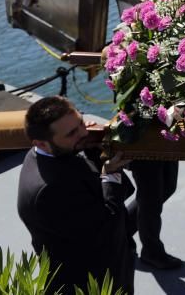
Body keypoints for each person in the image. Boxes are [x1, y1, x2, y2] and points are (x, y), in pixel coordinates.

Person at [17, 96, 136, 294]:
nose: (84, 132)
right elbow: (108, 229)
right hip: (89, 284)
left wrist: (95, 152)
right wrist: (111, 173)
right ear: (42, 143)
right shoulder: (50, 191)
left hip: (110, 268)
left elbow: (121, 194)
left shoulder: (61, 152)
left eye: (81, 122)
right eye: (72, 132)